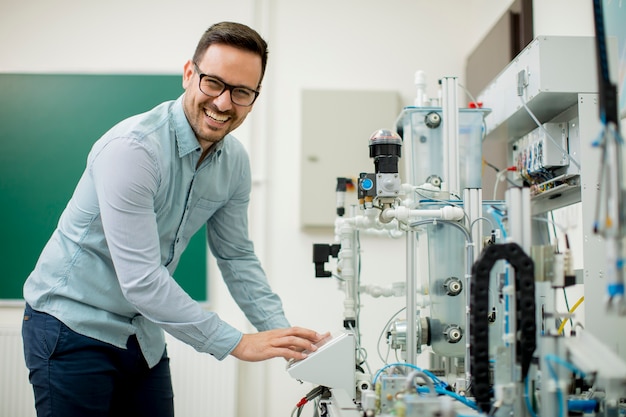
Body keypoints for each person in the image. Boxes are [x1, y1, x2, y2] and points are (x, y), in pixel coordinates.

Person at [22, 21, 327, 417]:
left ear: (254, 97)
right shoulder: (133, 150)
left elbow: (236, 257)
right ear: (189, 74)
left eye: (241, 92)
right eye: (213, 83)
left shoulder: (234, 162)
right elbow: (142, 280)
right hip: (70, 325)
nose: (223, 103)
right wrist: (237, 342)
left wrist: (286, 340)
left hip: (142, 333)